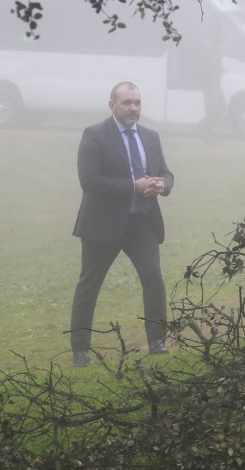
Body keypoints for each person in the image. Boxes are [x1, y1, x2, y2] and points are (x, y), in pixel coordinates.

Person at [70, 82, 174, 368]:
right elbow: (88, 181)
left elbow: (166, 172)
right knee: (89, 286)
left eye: (138, 103)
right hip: (102, 226)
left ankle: (157, 341)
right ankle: (80, 350)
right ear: (112, 105)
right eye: (127, 103)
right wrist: (133, 186)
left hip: (142, 223)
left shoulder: (150, 136)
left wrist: (162, 184)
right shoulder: (94, 135)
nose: (134, 108)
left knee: (153, 277)